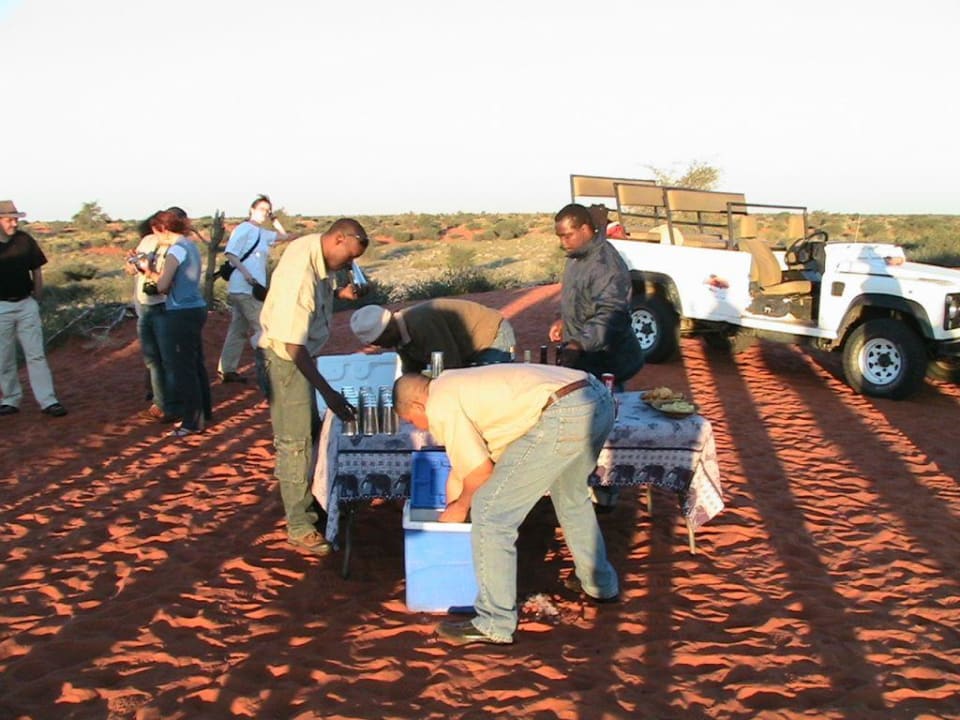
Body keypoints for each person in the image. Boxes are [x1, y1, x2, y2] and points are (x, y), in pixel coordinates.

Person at [393, 364, 620, 646]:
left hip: (563, 412)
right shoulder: (452, 383)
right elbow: (466, 469)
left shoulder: (439, 404)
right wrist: (458, 501)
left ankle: (493, 621)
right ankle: (600, 584)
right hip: (596, 397)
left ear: (416, 404)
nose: (418, 426)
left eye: (412, 420)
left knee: (491, 514)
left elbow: (480, 474)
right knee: (571, 497)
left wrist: (460, 507)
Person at [258, 218, 369, 556]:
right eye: (348, 258)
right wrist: (328, 392)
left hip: (298, 357)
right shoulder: (300, 277)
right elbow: (293, 345)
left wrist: (340, 293)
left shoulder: (314, 250)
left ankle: (313, 504)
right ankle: (299, 526)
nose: (348, 265)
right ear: (337, 239)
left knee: (313, 433)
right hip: (286, 361)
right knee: (295, 444)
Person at [548, 203, 644, 390]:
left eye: (568, 236)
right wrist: (563, 320)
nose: (563, 243)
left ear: (584, 229)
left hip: (608, 360)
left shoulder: (605, 264)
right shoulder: (576, 257)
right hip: (586, 357)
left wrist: (579, 343)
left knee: (607, 411)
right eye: (560, 237)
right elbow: (578, 296)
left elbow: (611, 313)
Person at [144, 210, 212, 437]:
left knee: (183, 368)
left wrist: (147, 272)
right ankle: (204, 412)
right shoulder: (191, 246)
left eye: (157, 233)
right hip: (195, 308)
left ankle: (192, 422)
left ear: (164, 229)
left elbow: (163, 285)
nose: (157, 238)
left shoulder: (176, 249)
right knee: (195, 363)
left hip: (180, 312)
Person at [0, 200, 67, 418]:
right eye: (10, 219)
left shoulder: (25, 240)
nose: (14, 223)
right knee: (4, 356)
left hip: (25, 303)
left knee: (36, 354)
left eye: (15, 219)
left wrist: (37, 297)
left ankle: (48, 400)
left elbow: (36, 270)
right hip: (1, 307)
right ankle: (10, 399)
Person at [217, 194, 289, 385]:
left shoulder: (262, 233)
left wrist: (275, 220)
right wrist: (247, 274)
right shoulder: (244, 229)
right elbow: (231, 253)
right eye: (262, 209)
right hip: (245, 286)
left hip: (250, 288)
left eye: (268, 210)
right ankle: (271, 371)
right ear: (252, 210)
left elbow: (286, 237)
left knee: (238, 328)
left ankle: (227, 369)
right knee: (263, 327)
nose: (264, 213)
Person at [349, 298, 516, 373]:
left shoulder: (421, 324)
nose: (381, 347)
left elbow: (449, 368)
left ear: (387, 331)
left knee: (490, 390)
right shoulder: (400, 337)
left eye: (379, 342)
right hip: (466, 346)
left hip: (491, 334)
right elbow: (412, 370)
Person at [124, 213, 178, 422]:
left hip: (163, 305)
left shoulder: (174, 246)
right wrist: (132, 262)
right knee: (152, 360)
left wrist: (149, 269)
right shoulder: (146, 241)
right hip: (144, 306)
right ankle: (160, 402)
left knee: (166, 358)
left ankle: (169, 404)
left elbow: (167, 279)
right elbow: (131, 269)